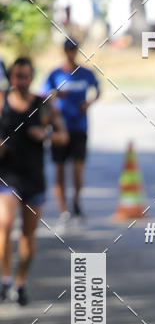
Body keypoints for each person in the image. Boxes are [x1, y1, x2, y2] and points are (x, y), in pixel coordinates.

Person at [0, 57, 68, 306]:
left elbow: (63, 136)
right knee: (4, 225)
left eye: (26, 76)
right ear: (11, 77)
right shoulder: (1, 101)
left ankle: (19, 283)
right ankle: (5, 278)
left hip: (33, 177)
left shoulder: (43, 106)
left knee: (28, 236)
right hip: (7, 175)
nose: (21, 81)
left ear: (32, 77)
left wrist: (47, 134)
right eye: (17, 76)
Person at [42, 37, 100, 230]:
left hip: (79, 127)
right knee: (59, 169)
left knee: (77, 168)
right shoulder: (55, 74)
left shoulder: (85, 74)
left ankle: (76, 201)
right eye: (68, 49)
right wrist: (55, 96)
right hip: (60, 128)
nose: (71, 52)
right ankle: (63, 209)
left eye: (74, 49)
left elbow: (97, 90)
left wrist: (89, 103)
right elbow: (43, 95)